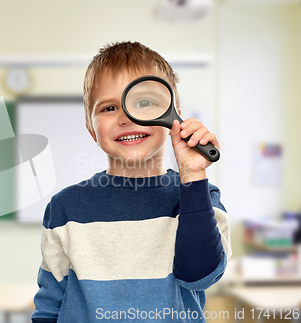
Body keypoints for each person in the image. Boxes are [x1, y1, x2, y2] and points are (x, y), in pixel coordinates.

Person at [30, 41, 231, 323]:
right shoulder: (65, 208)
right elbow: (49, 304)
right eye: (109, 108)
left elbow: (200, 275)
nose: (126, 117)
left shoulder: (201, 195)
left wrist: (193, 175)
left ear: (174, 117)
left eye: (144, 103)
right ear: (91, 130)